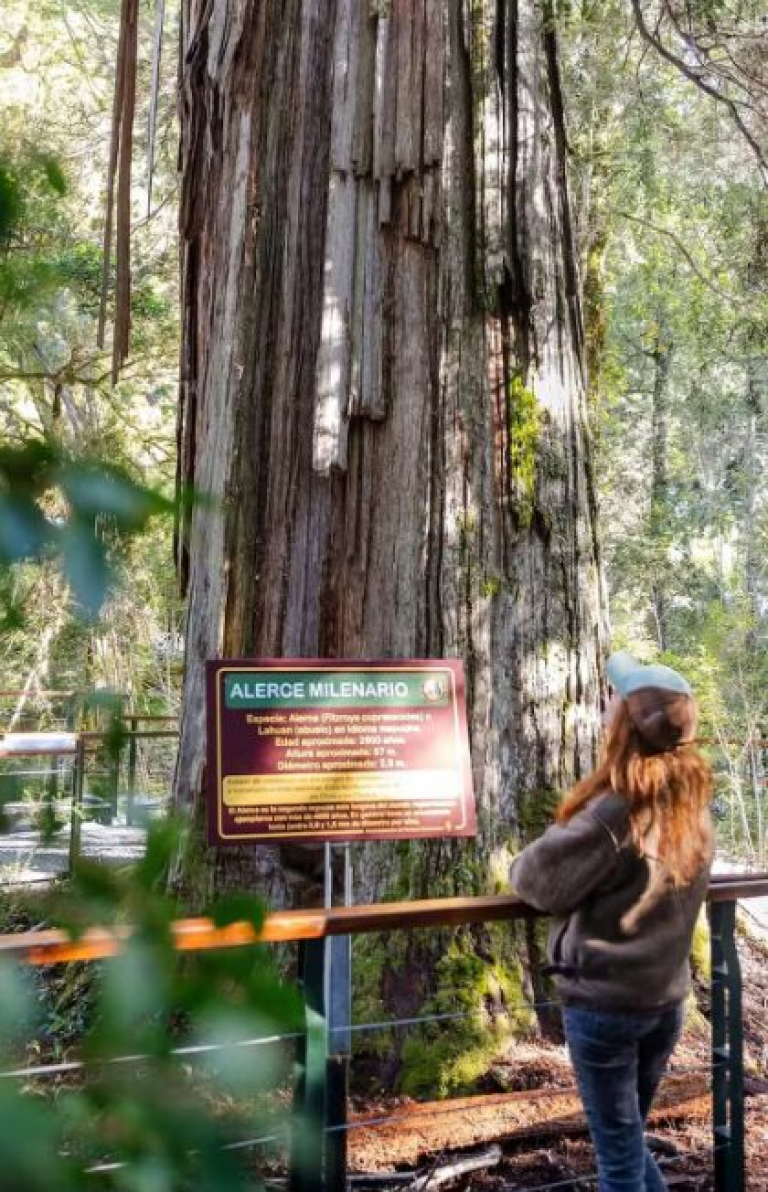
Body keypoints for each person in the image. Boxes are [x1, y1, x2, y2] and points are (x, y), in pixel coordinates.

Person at [509, 651, 713, 1192]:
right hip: (665, 1002)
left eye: (612, 699)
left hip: (606, 1007)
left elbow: (534, 881)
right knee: (627, 1142)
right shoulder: (692, 802)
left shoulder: (615, 810)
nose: (603, 706)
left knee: (619, 1161)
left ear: (623, 723)